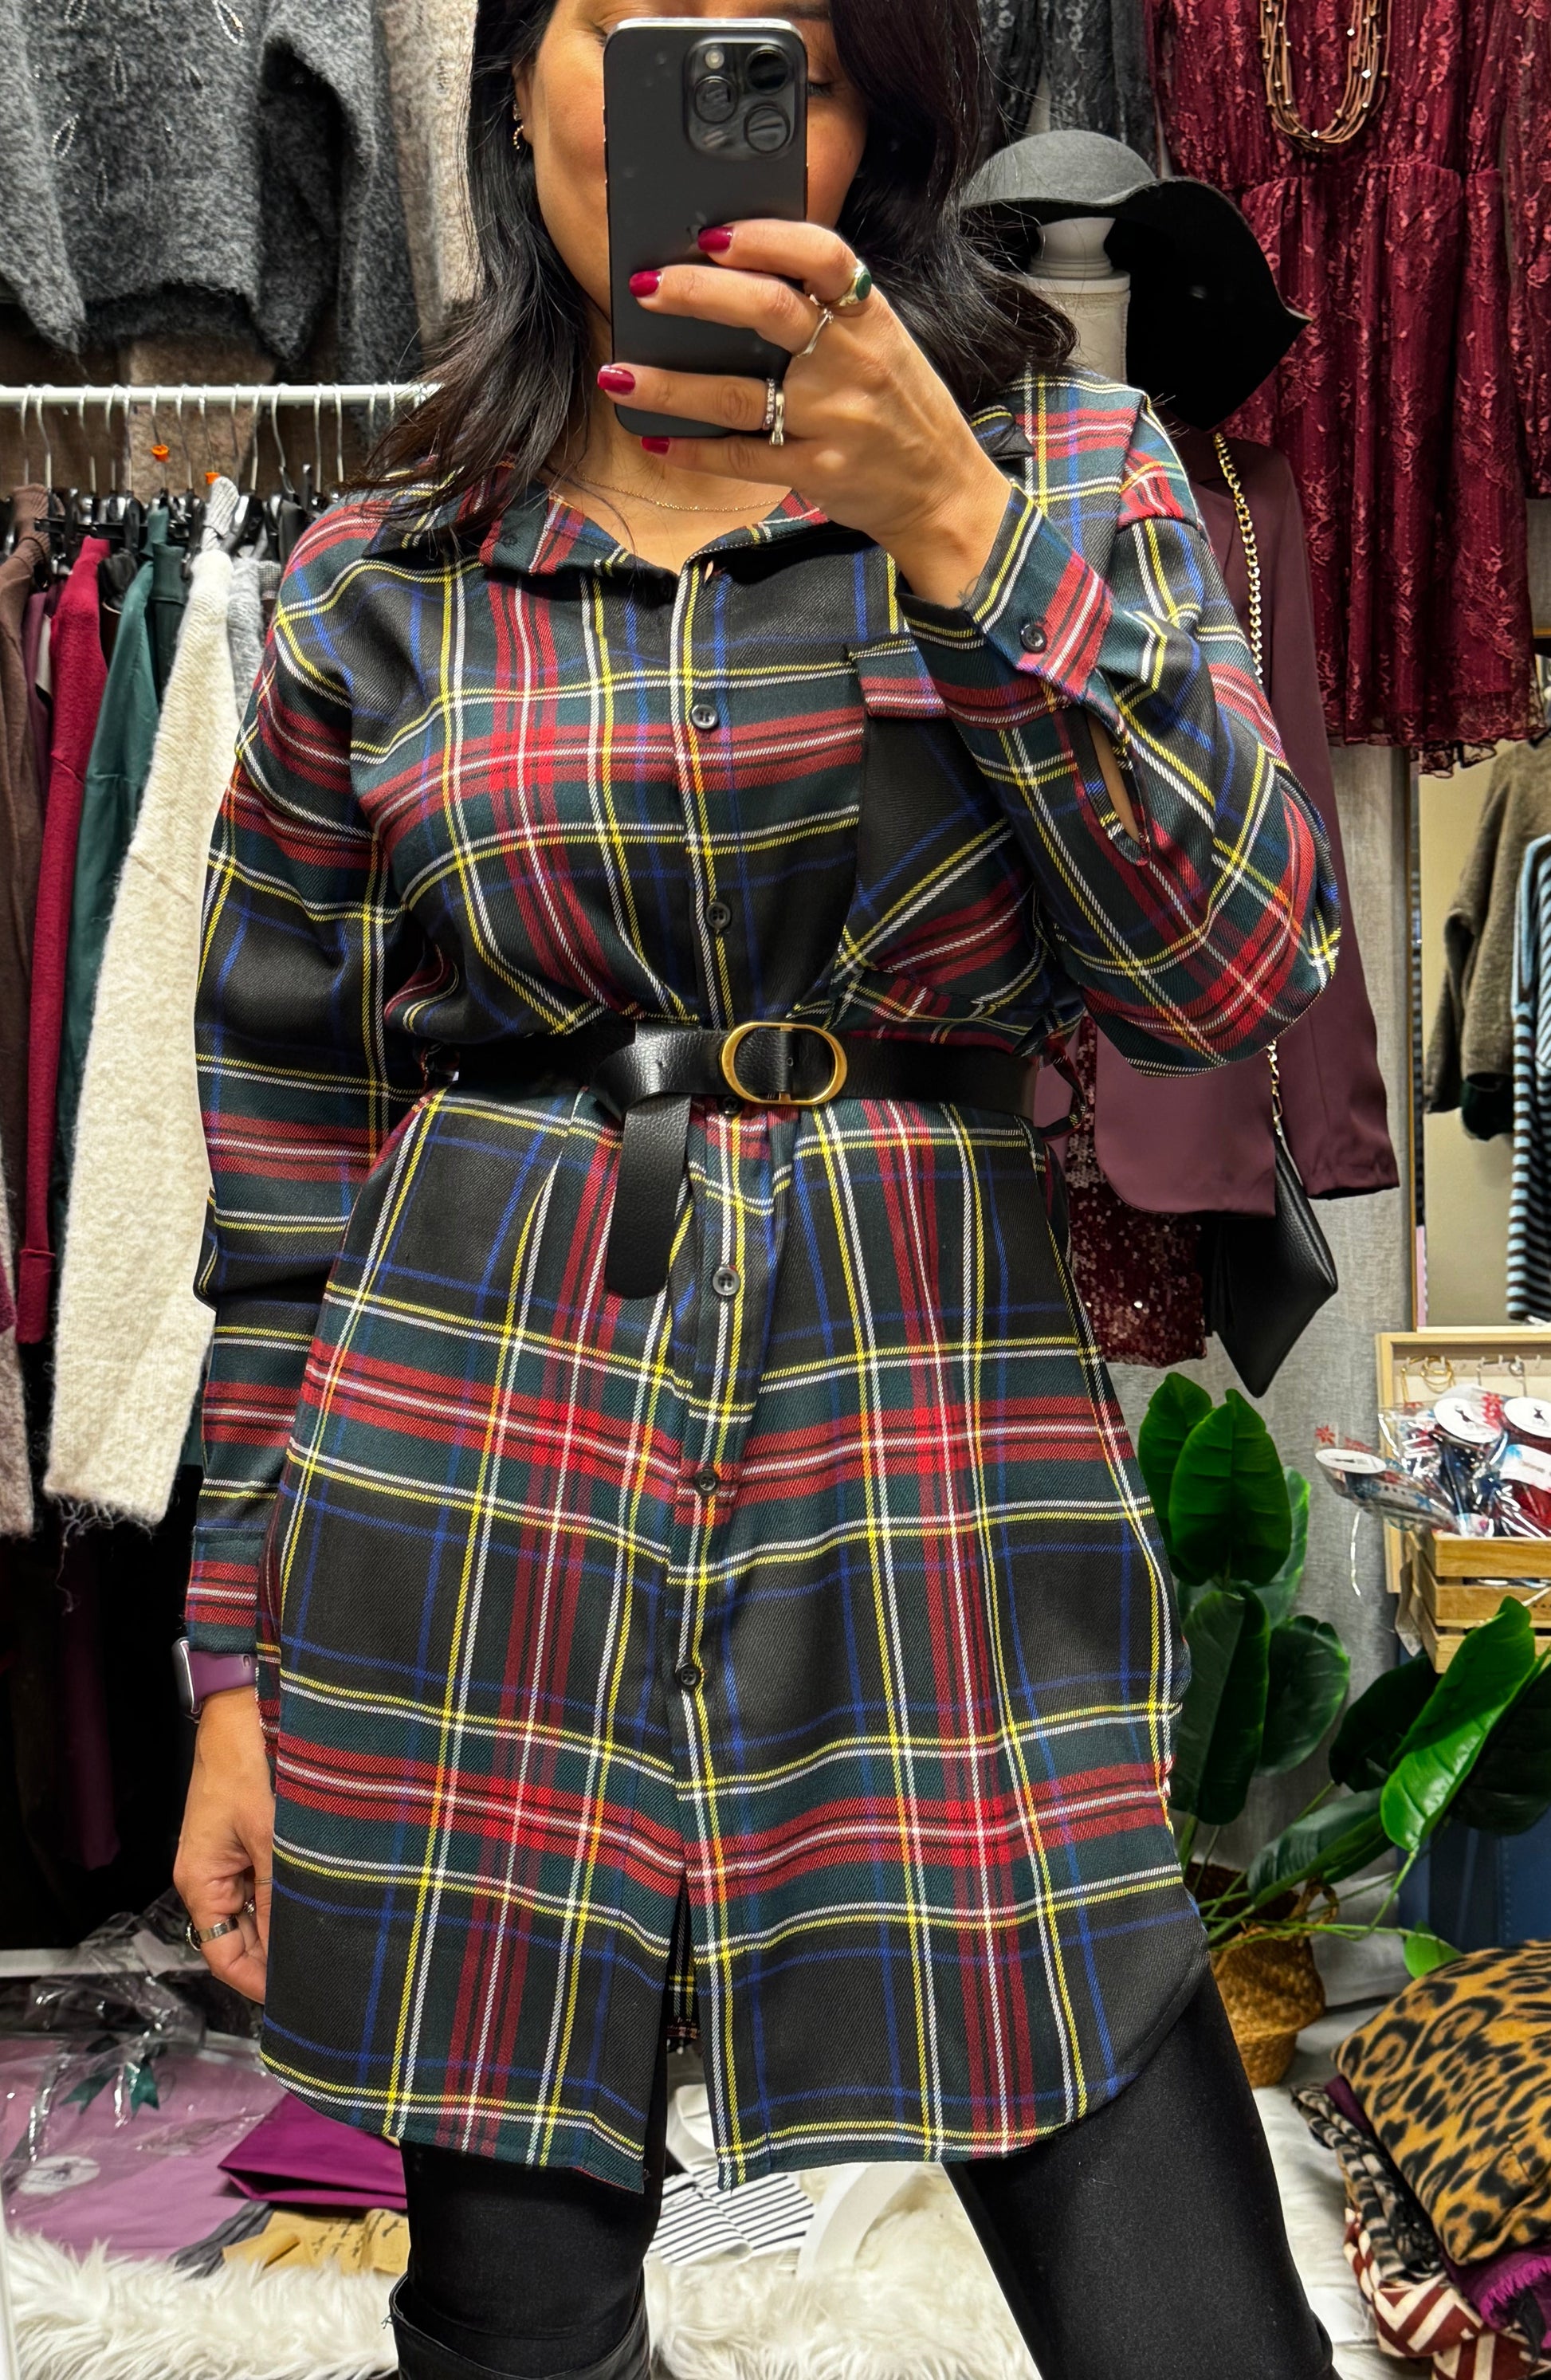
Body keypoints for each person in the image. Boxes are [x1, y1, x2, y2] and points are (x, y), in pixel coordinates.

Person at [173, 2, 1343, 2374]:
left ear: (869, 119)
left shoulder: (1062, 472)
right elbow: (285, 1166)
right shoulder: (371, 578)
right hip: (475, 1486)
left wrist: (956, 531)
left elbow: (1231, 965)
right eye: (630, 27)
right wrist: (227, 1667)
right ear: (516, 85)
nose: (695, 102)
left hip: (934, 1478)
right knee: (516, 2324)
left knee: (1190, 2323)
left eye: (774, 54)